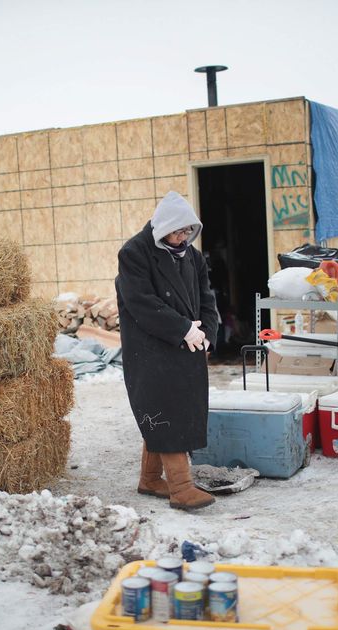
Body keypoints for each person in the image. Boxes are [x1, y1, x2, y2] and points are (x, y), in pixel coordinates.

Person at [115, 191, 220, 511]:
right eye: (177, 231)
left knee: (167, 412)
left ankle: (149, 479)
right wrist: (182, 329)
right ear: (163, 227)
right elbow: (141, 302)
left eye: (188, 231)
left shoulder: (193, 256)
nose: (182, 237)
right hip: (150, 348)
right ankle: (181, 488)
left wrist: (206, 337)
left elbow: (207, 298)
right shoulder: (134, 253)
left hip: (187, 346)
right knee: (166, 412)